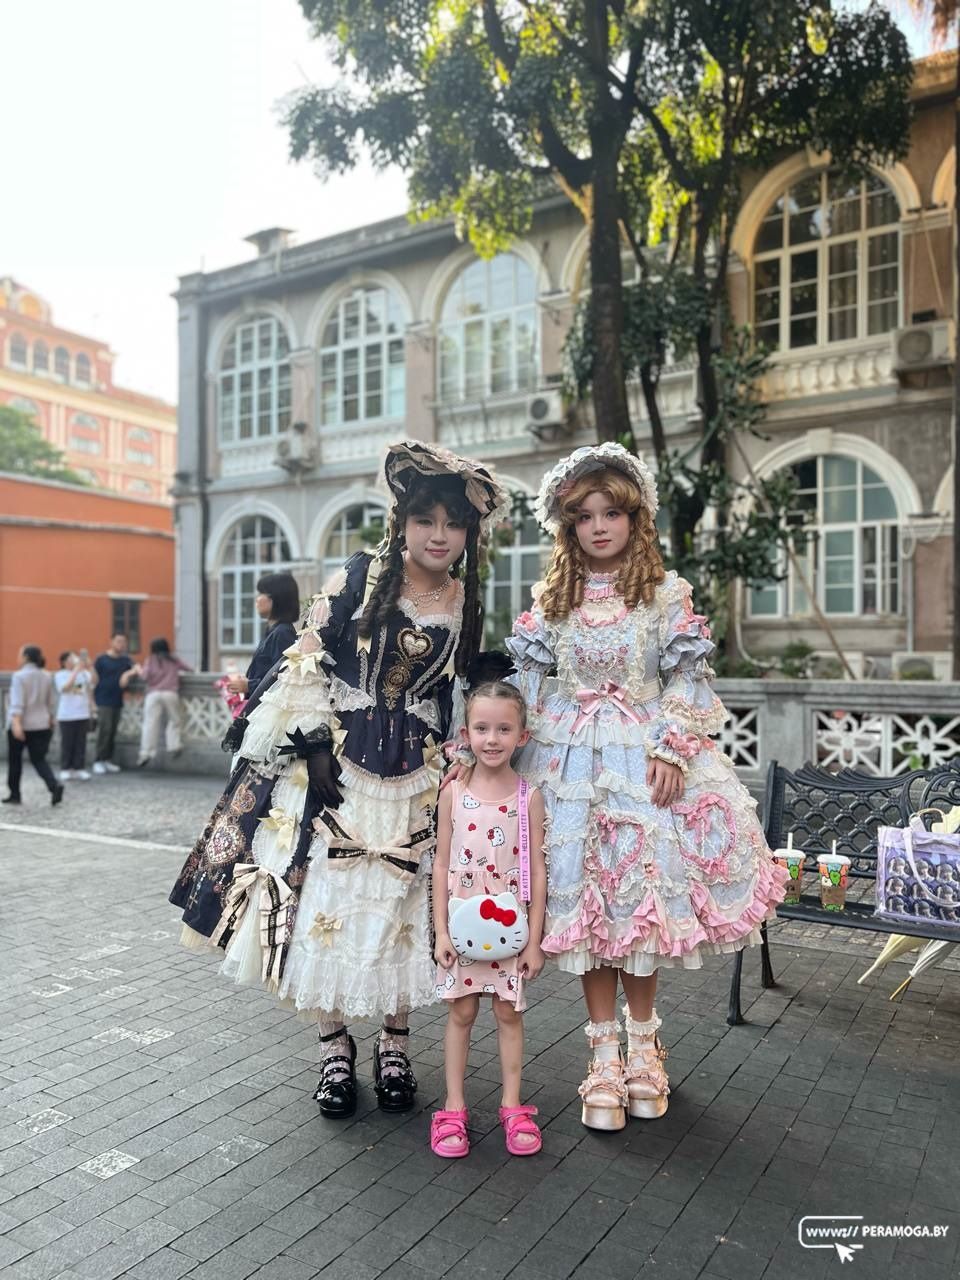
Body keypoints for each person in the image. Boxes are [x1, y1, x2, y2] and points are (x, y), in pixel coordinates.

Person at [169, 440, 508, 1117]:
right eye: (425, 520)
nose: (438, 535)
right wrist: (316, 745)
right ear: (402, 521)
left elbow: (450, 690)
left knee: (402, 907)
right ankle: (334, 1047)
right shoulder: (362, 573)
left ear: (469, 533)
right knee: (326, 902)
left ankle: (394, 1045)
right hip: (338, 769)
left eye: (453, 524)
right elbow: (306, 656)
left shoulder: (463, 597)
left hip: (415, 776)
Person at [501, 443, 788, 1131]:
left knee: (639, 906)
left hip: (643, 762)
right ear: (568, 527)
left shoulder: (664, 593)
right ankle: (602, 1054)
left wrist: (672, 749)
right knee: (586, 909)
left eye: (611, 513)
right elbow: (528, 687)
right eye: (583, 517)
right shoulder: (551, 599)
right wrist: (493, 749)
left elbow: (687, 677)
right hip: (568, 768)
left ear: (635, 518)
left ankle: (644, 1048)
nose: (598, 527)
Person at [431, 681, 547, 1159]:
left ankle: (512, 1105)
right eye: (482, 728)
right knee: (461, 1013)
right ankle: (453, 1106)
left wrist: (534, 940)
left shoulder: (528, 797)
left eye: (503, 729)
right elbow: (441, 864)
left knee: (508, 1014)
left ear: (522, 736)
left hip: (509, 931)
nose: (492, 739)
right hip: (462, 928)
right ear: (466, 733)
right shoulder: (453, 793)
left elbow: (537, 870)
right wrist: (440, 931)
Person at [225, 572, 300, 704]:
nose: (257, 599)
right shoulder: (273, 631)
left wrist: (249, 686)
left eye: (261, 593)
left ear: (275, 598)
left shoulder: (283, 633)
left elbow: (284, 679)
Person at [5, 645, 62, 806]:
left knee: (15, 761)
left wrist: (16, 723)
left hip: (22, 724)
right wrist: (51, 717)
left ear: (25, 657)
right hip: (42, 723)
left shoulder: (19, 676)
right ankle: (53, 785)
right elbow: (51, 701)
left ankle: (15, 794)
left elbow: (17, 702)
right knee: (39, 759)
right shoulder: (47, 676)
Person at [135, 638, 192, 767]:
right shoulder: (174, 660)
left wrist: (138, 670)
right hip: (170, 693)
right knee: (174, 720)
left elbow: (144, 676)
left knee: (150, 724)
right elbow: (189, 669)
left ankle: (146, 753)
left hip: (153, 694)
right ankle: (174, 745)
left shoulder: (150, 660)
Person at [92, 635, 136, 773]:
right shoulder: (101, 659)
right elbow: (93, 678)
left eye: (124, 642)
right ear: (111, 642)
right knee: (104, 729)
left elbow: (137, 669)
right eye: (118, 641)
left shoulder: (126, 660)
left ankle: (107, 759)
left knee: (112, 731)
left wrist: (128, 674)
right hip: (102, 698)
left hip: (117, 699)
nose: (121, 644)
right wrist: (91, 701)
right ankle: (98, 760)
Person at [55, 650, 96, 780]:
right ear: (64, 662)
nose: (74, 660)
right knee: (67, 743)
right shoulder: (60, 674)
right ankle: (66, 768)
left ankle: (79, 768)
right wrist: (76, 671)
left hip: (82, 713)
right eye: (70, 658)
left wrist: (90, 666)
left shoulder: (84, 674)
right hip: (67, 715)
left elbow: (94, 681)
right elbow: (65, 688)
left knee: (80, 743)